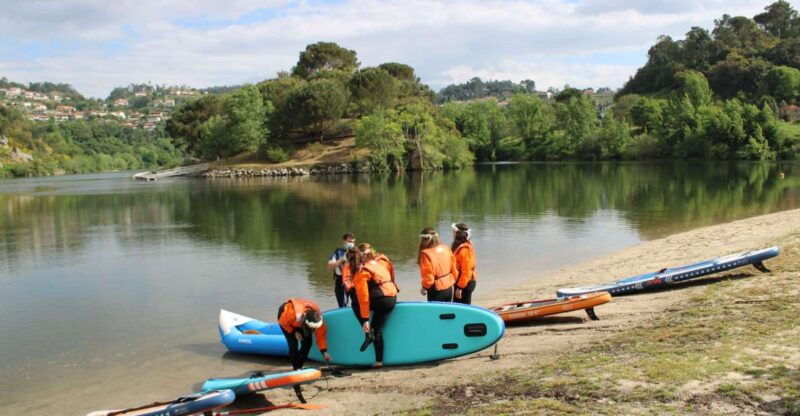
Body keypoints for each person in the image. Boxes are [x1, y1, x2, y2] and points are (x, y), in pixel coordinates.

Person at [350, 243, 398, 368]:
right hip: (392, 297)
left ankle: (367, 333)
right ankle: (378, 361)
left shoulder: (362, 271)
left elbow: (363, 298)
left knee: (354, 302)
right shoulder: (376, 263)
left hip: (382, 299)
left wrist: (365, 319)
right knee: (377, 330)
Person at [277, 298, 332, 370]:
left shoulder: (318, 320)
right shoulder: (291, 315)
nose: (313, 330)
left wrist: (324, 352)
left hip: (301, 319)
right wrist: (294, 332)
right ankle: (296, 368)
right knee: (293, 344)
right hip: (285, 318)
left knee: (308, 343)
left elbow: (320, 335)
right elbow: (282, 322)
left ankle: (299, 366)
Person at [417, 227, 457, 302]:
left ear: (425, 240)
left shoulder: (426, 254)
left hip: (436, 289)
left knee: (435, 310)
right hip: (449, 286)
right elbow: (454, 267)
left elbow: (428, 277)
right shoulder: (446, 248)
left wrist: (424, 287)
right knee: (447, 308)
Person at [451, 223, 477, 305]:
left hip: (466, 283)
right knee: (458, 306)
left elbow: (467, 271)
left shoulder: (465, 250)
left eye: (453, 232)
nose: (452, 234)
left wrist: (460, 287)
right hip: (462, 281)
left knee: (463, 307)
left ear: (458, 234)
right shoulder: (460, 246)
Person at [327, 232, 356, 307]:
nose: (351, 244)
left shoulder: (356, 252)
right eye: (349, 242)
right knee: (342, 305)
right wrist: (341, 260)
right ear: (343, 241)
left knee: (356, 304)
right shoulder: (337, 252)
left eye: (353, 242)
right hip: (340, 281)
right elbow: (329, 266)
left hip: (354, 280)